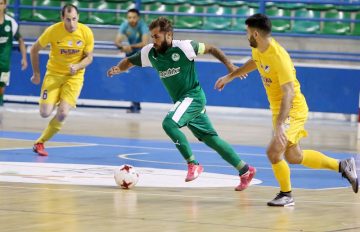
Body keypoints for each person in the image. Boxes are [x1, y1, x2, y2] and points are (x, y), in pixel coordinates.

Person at [214, 13, 358, 206]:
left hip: (292, 109)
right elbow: (255, 62)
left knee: (273, 152)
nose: (246, 36)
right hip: (279, 109)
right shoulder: (259, 48)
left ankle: (286, 194)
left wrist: (281, 124)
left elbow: (289, 92)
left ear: (255, 34)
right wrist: (231, 76)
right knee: (294, 156)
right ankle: (343, 165)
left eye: (247, 32)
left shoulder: (279, 56)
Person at [107, 17, 256, 190]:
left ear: (168, 35)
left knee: (169, 124)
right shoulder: (150, 53)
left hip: (193, 96)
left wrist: (230, 66)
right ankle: (245, 170)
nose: (153, 40)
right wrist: (119, 68)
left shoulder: (185, 47)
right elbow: (130, 61)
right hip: (184, 102)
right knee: (212, 140)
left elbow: (212, 48)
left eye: (157, 37)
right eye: (152, 36)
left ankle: (193, 164)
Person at [30, 3, 94, 156]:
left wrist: (78, 66)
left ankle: (40, 142)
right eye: (67, 19)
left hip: (74, 77)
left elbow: (89, 57)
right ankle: (56, 98)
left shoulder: (86, 32)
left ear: (78, 17)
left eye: (74, 19)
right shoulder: (53, 31)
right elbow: (34, 50)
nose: (71, 24)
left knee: (63, 113)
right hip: (53, 75)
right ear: (62, 18)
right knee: (45, 113)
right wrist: (36, 73)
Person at [115, 8, 149, 113]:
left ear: (138, 18)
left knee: (138, 79)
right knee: (131, 79)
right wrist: (122, 47)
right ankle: (134, 104)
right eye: (129, 17)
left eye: (134, 17)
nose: (132, 20)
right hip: (130, 55)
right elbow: (117, 41)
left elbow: (144, 43)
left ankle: (136, 104)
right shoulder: (125, 25)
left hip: (141, 54)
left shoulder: (143, 26)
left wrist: (130, 46)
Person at [0, 0, 27, 106]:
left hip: (4, 63)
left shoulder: (11, 23)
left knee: (1, 88)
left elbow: (21, 40)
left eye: (1, 3)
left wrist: (24, 58)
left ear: (5, 5)